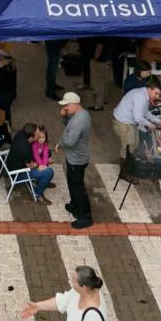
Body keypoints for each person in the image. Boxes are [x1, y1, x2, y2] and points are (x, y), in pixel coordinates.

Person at [55, 92, 93, 230]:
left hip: (77, 159)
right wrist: (65, 116)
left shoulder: (79, 120)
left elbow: (70, 141)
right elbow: (68, 126)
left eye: (67, 105)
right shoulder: (80, 114)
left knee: (78, 188)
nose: (65, 107)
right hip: (74, 157)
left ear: (75, 104)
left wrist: (60, 144)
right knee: (72, 182)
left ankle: (85, 216)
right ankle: (74, 205)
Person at [112, 78, 161, 170]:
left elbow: (145, 112)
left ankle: (129, 165)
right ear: (150, 89)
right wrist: (150, 125)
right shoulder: (140, 97)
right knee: (128, 146)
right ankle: (124, 171)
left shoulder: (145, 95)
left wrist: (158, 121)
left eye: (158, 94)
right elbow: (138, 117)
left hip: (131, 122)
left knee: (135, 144)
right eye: (156, 93)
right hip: (123, 121)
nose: (157, 96)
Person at [5, 123, 54, 204]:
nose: (39, 136)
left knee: (44, 154)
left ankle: (42, 182)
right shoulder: (25, 149)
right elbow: (30, 166)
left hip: (11, 163)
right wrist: (43, 163)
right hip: (17, 174)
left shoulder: (21, 133)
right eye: (38, 135)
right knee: (49, 172)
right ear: (32, 137)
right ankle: (37, 194)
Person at [0, 51, 17, 125]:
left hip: (3, 96)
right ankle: (8, 125)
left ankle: (4, 128)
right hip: (11, 94)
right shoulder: (12, 67)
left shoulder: (2, 71)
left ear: (3, 60)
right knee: (7, 111)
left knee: (2, 113)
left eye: (0, 60)